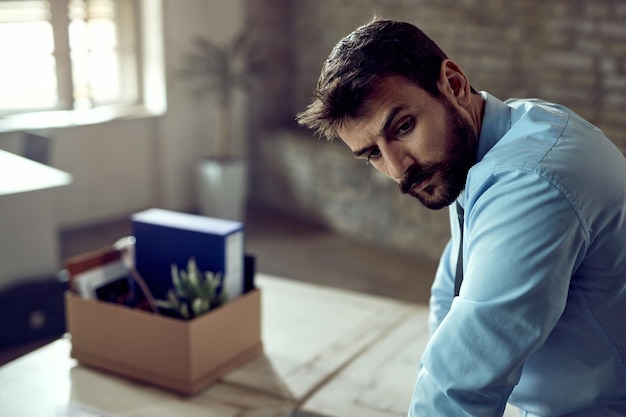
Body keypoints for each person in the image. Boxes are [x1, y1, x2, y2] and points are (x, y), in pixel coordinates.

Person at [296, 18, 626, 417]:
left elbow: (462, 381)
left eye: (403, 127)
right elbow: (453, 291)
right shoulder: (496, 139)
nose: (399, 169)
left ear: (453, 84)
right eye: (373, 154)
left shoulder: (530, 181)